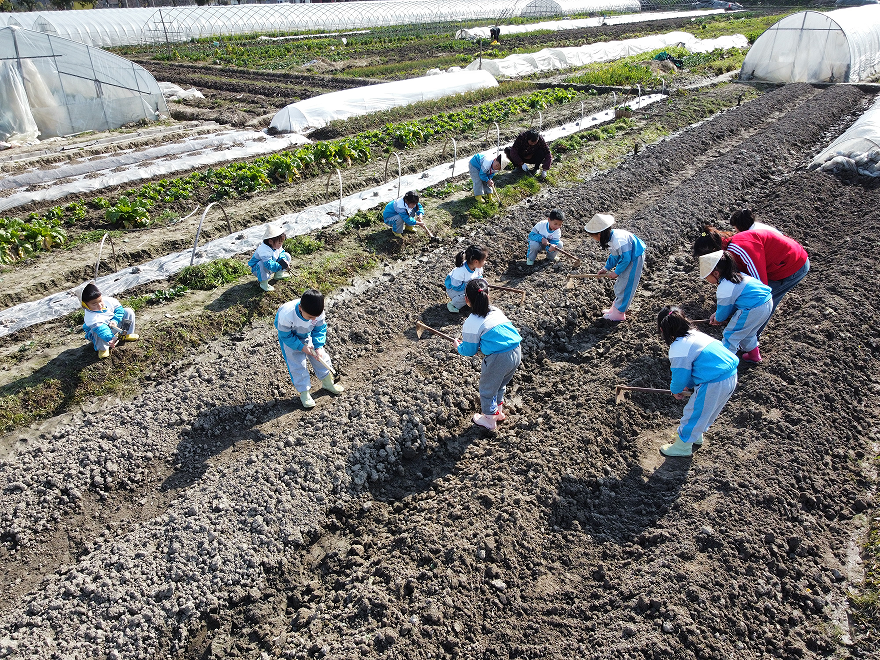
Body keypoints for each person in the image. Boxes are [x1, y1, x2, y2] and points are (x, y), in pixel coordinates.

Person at [692, 223, 809, 335]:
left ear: (714, 252)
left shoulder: (741, 249)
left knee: (762, 301)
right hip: (777, 262)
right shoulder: (729, 251)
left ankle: (749, 338)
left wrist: (729, 312)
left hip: (792, 264)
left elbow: (760, 285)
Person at [657, 305, 738, 457]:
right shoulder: (697, 335)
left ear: (663, 330)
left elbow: (680, 377)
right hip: (730, 375)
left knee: (694, 412)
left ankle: (683, 446)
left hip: (714, 382)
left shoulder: (678, 347)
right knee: (708, 411)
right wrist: (689, 384)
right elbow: (701, 365)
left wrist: (676, 390)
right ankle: (696, 436)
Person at [456, 279, 522, 431]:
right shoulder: (496, 311)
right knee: (499, 384)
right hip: (516, 350)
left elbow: (470, 350)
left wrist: (459, 347)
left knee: (487, 389)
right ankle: (497, 413)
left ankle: (489, 420)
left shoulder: (471, 322)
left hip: (499, 358)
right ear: (487, 295)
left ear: (467, 299)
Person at [275, 289, 344, 409]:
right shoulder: (286, 315)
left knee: (322, 357)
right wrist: (301, 347)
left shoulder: (318, 313)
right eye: (310, 317)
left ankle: (328, 383)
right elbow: (285, 335)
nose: (313, 320)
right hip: (290, 338)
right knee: (298, 364)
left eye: (315, 317)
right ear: (301, 308)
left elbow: (319, 329)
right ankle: (304, 393)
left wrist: (318, 346)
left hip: (306, 334)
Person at [700, 250, 773, 363]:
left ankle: (723, 364)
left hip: (752, 309)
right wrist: (718, 315)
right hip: (767, 302)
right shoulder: (739, 277)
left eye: (706, 277)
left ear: (715, 273)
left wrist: (718, 319)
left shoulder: (724, 287)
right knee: (747, 333)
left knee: (730, 336)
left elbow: (723, 312)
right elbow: (734, 303)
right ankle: (754, 356)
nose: (707, 280)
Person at [584, 213, 645, 322]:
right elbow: (615, 256)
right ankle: (615, 308)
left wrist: (616, 272)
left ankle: (619, 313)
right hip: (628, 256)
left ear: (599, 234)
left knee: (626, 285)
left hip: (635, 257)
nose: (593, 239)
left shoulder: (618, 240)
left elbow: (626, 258)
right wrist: (606, 268)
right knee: (620, 284)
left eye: (593, 236)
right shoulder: (610, 239)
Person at [78, 281, 139, 359]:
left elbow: (119, 310)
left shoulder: (108, 301)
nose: (99, 305)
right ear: (85, 305)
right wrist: (111, 338)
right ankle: (103, 348)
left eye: (100, 301)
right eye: (94, 304)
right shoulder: (91, 318)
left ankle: (126, 335)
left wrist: (115, 321)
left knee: (128, 312)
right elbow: (102, 329)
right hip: (100, 332)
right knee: (96, 333)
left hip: (112, 325)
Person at [249, 222, 291, 292]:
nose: (281, 245)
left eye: (282, 243)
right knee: (261, 264)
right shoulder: (263, 249)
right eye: (279, 243)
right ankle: (263, 283)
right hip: (258, 269)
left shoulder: (276, 246)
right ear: (271, 241)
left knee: (287, 256)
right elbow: (268, 264)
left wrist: (284, 261)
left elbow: (281, 253)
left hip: (271, 265)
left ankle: (279, 275)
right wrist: (282, 266)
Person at [445, 245, 488, 313]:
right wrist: (470, 286)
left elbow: (479, 278)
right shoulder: (460, 271)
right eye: (484, 260)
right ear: (476, 262)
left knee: (484, 287)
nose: (485, 262)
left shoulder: (478, 268)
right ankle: (453, 304)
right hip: (454, 289)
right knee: (468, 295)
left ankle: (473, 301)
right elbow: (456, 287)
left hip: (467, 285)